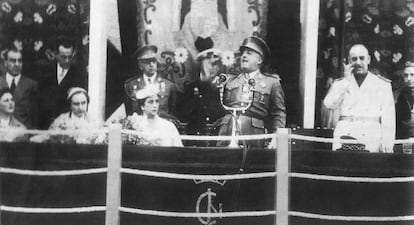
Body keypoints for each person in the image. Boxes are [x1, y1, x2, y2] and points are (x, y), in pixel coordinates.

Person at [323, 44, 395, 153]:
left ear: (369, 60)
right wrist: (346, 81)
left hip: (371, 137)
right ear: (348, 61)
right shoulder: (341, 83)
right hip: (345, 136)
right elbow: (329, 104)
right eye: (354, 59)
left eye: (362, 58)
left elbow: (388, 116)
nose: (358, 62)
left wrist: (387, 141)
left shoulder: (381, 84)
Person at [217, 36, 286, 148]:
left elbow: (279, 113)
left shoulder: (272, 83)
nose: (243, 56)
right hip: (227, 134)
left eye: (249, 53)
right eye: (243, 53)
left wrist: (276, 137)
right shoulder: (229, 80)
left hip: (254, 136)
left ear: (260, 60)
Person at [178, 37, 226, 145]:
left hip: (217, 140)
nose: (212, 68)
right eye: (209, 63)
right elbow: (184, 116)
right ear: (201, 64)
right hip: (196, 140)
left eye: (215, 64)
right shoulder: (190, 88)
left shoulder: (224, 88)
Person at [38, 37, 87, 129]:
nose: (67, 61)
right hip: (44, 123)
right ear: (56, 54)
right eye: (63, 57)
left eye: (70, 57)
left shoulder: (79, 74)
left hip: (66, 125)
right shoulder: (45, 71)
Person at [124, 45, 177, 120]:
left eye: (153, 61)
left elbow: (172, 112)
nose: (151, 64)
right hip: (140, 128)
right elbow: (129, 112)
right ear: (140, 65)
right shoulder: (131, 86)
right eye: (147, 62)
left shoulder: (169, 86)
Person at [31, 87, 101, 144]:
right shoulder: (61, 120)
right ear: (70, 105)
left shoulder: (94, 121)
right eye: (76, 104)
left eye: (83, 103)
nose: (80, 107)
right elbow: (48, 136)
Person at [0, 47, 39, 128]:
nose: (17, 64)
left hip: (22, 133)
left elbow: (35, 115)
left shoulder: (31, 84)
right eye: (13, 61)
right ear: (5, 62)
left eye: (20, 61)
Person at [396, 62, 414, 139]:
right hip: (404, 137)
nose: (409, 78)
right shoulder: (397, 95)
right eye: (406, 75)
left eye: (412, 75)